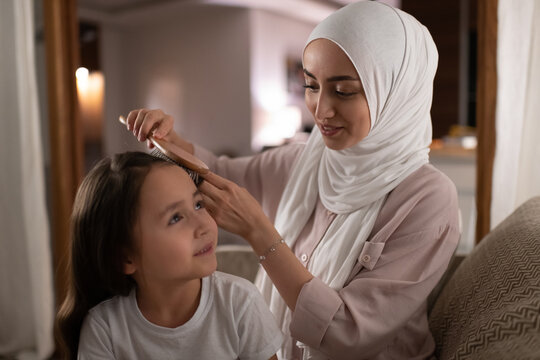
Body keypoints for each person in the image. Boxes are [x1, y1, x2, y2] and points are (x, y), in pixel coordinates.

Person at [125, 1, 460, 359]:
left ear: (395, 92)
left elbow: (348, 333)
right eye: (311, 86)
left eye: (343, 91)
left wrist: (260, 234)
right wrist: (170, 141)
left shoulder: (428, 200)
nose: (320, 109)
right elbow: (218, 173)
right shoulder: (304, 160)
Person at [55, 152, 282, 360]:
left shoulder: (240, 304)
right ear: (126, 258)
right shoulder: (103, 329)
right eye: (175, 218)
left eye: (198, 204)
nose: (203, 225)